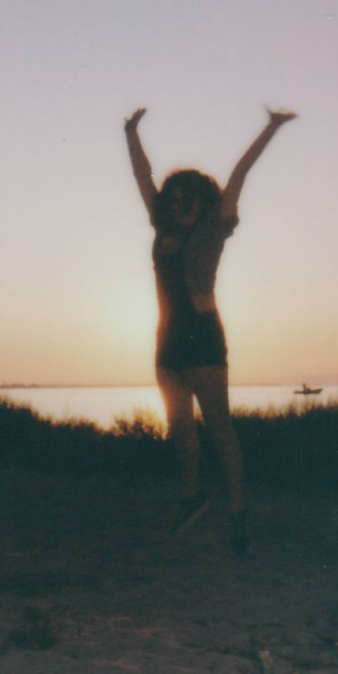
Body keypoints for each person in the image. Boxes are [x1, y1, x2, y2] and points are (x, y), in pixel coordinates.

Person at [124, 105, 296, 553]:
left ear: (203, 201)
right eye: (174, 197)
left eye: (188, 198)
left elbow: (240, 173)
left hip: (202, 335)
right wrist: (131, 132)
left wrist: (271, 127)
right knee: (180, 428)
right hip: (167, 339)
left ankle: (238, 512)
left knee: (219, 427)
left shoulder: (213, 229)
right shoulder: (161, 229)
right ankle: (192, 495)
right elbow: (142, 177)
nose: (179, 203)